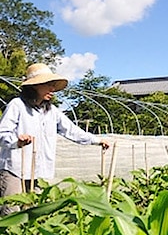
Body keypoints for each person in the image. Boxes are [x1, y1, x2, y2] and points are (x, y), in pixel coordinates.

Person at [0, 63, 109, 215]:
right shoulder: (17, 105)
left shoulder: (51, 111)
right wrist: (16, 141)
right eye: (48, 85)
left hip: (37, 172)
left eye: (53, 85)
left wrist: (96, 140)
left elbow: (71, 130)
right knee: (11, 212)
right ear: (34, 86)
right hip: (15, 169)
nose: (52, 89)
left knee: (36, 212)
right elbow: (2, 133)